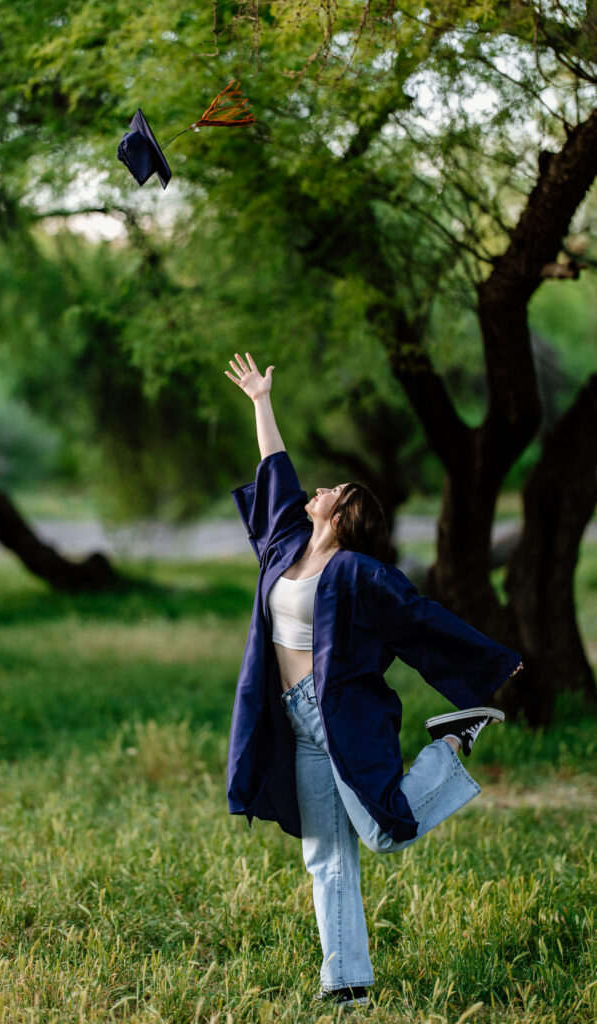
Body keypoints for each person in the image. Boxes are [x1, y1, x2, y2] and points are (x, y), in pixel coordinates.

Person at [224, 353, 524, 1009]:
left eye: (329, 491)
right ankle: (347, 986)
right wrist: (260, 402)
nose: (316, 490)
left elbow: (420, 620)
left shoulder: (359, 574)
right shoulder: (282, 544)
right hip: (288, 716)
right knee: (323, 856)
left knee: (386, 832)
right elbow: (277, 474)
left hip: (335, 718)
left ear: (343, 513)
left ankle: (449, 741)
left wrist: (492, 662)